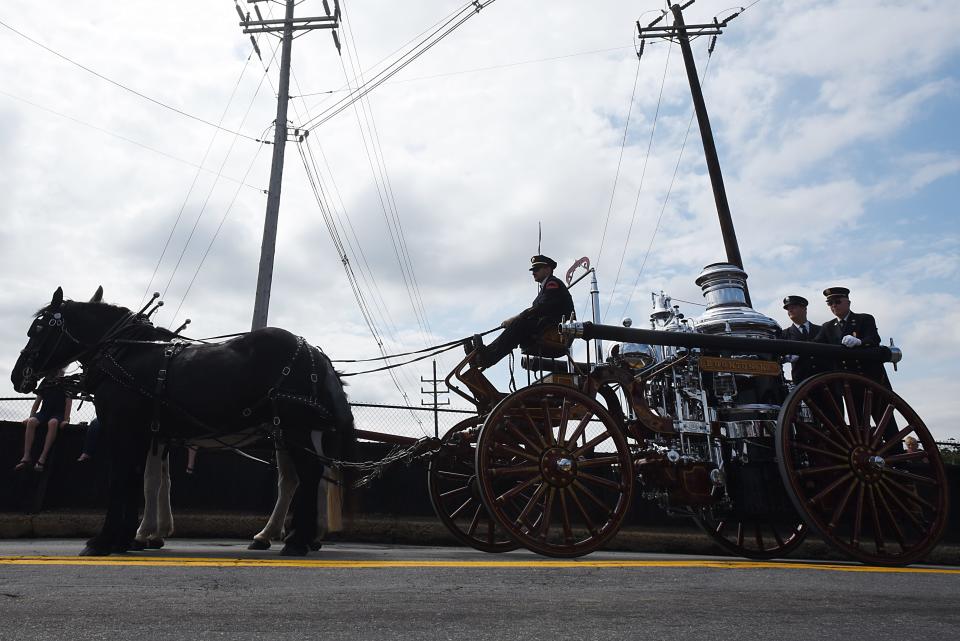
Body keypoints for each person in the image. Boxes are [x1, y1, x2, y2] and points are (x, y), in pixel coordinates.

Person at [470, 254, 575, 368]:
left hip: (555, 332)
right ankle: (482, 356)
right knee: (517, 327)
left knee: (519, 324)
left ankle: (487, 357)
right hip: (546, 328)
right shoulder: (546, 287)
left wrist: (515, 318)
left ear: (548, 269)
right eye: (533, 270)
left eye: (537, 269)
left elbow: (541, 308)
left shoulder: (552, 284)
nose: (533, 272)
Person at [813, 286, 888, 385]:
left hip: (870, 377)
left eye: (837, 301)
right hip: (847, 381)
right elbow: (815, 344)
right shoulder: (828, 327)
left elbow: (874, 339)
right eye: (830, 303)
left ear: (848, 303)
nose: (834, 305)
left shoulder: (864, 319)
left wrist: (859, 342)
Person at [15, 370, 72, 472]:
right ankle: (26, 456)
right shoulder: (45, 382)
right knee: (31, 421)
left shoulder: (65, 382)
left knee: (53, 423)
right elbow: (37, 402)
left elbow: (68, 401)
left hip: (58, 413)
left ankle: (42, 457)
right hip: (44, 412)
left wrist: (66, 419)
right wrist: (30, 416)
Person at [780, 295, 821, 383]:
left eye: (793, 307)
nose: (790, 310)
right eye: (788, 309)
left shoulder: (821, 330)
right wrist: (785, 357)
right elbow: (778, 357)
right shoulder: (784, 334)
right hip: (802, 384)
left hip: (825, 379)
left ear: (804, 309)